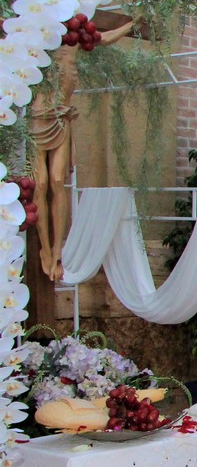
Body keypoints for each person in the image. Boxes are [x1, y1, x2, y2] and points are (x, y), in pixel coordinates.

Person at [30, 18, 136, 281]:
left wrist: (134, 23)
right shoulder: (38, 32)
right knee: (40, 184)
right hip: (37, 118)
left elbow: (106, 37)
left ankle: (57, 251)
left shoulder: (74, 36)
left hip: (62, 116)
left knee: (57, 180)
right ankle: (44, 248)